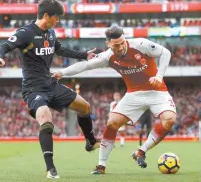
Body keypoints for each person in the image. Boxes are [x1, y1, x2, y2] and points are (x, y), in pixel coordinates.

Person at [0, 0, 100, 179]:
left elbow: (60, 49)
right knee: (46, 120)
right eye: (56, 18)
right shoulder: (26, 33)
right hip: (34, 89)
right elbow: (5, 45)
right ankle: (50, 169)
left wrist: (84, 55)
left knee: (85, 107)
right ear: (45, 16)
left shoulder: (50, 33)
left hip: (51, 84)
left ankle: (90, 141)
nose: (57, 21)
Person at [51, 24, 177, 174]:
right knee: (112, 123)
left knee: (169, 119)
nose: (121, 47)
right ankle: (101, 165)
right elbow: (85, 66)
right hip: (133, 95)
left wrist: (159, 76)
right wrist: (62, 72)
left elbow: (166, 53)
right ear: (108, 44)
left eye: (122, 42)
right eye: (116, 45)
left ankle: (141, 151)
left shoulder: (140, 44)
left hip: (157, 92)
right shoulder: (107, 56)